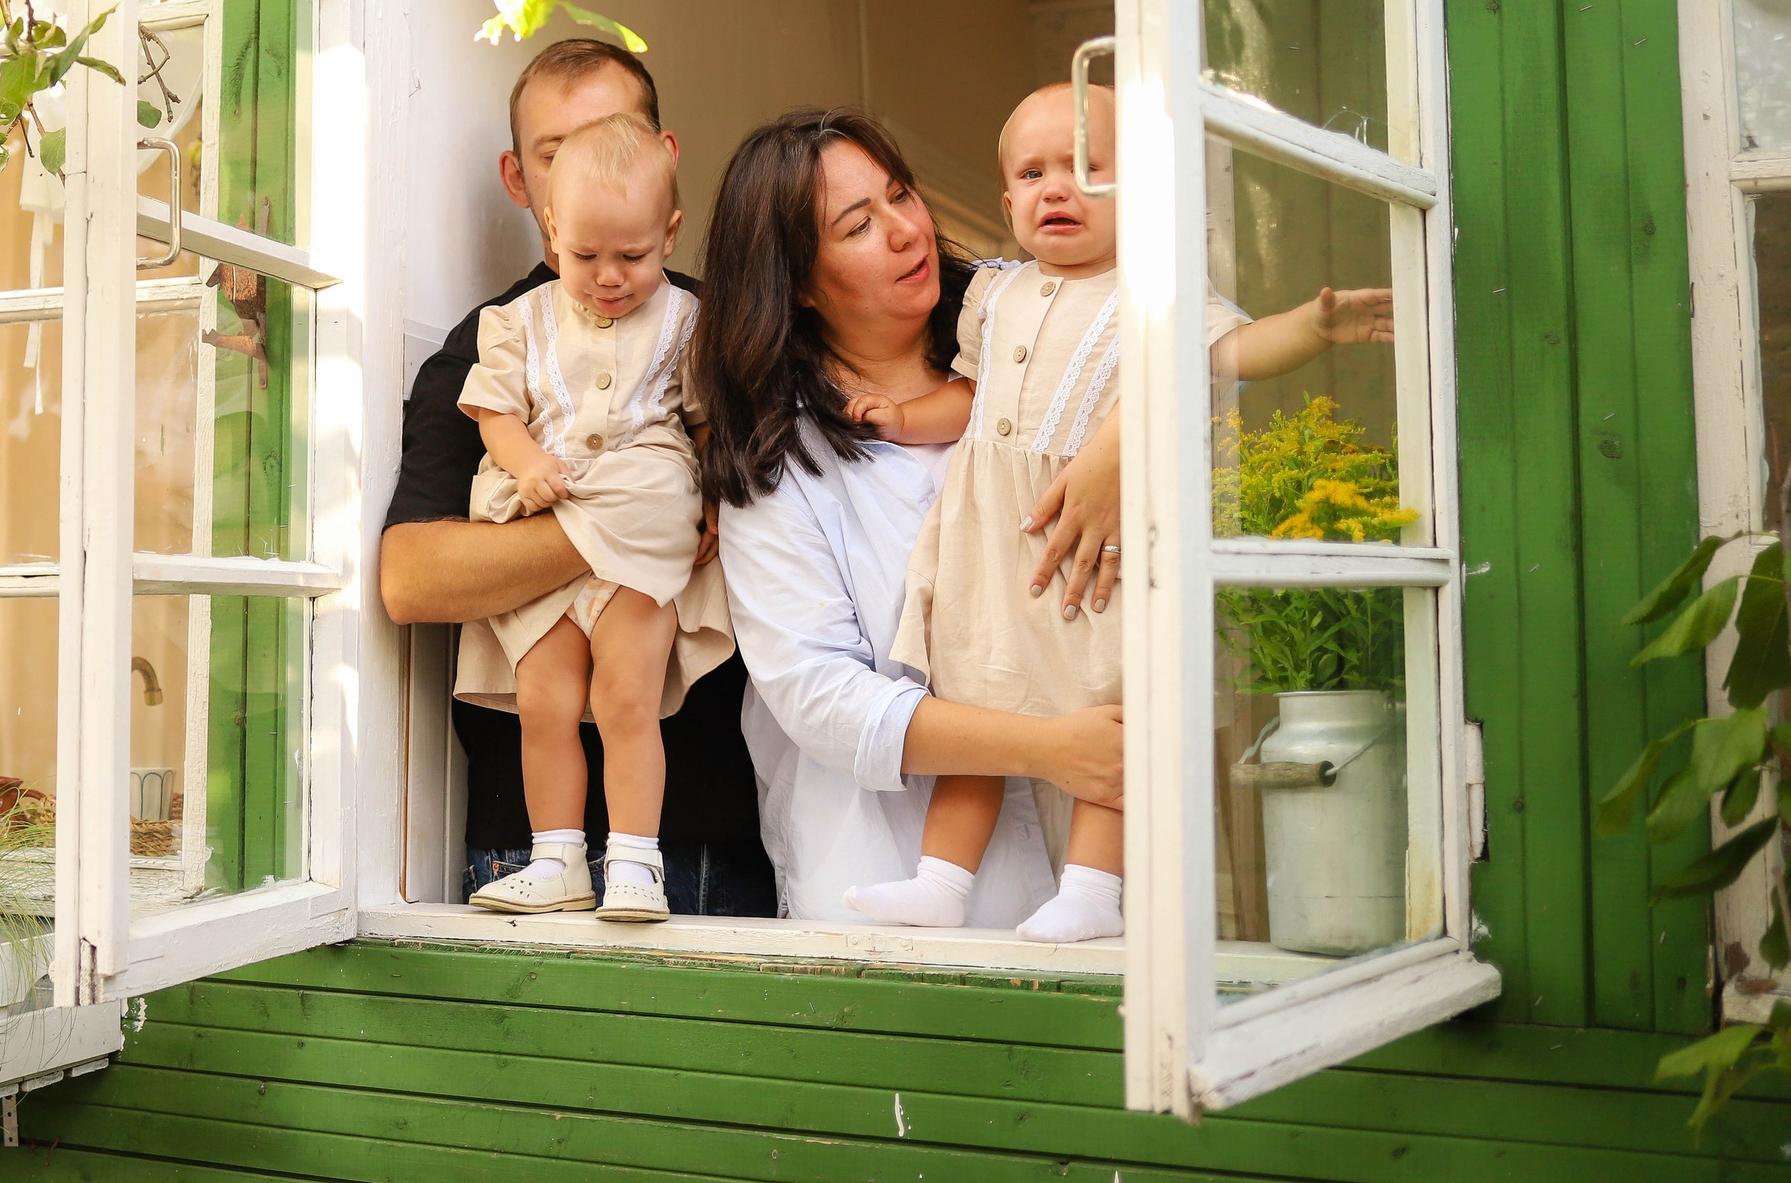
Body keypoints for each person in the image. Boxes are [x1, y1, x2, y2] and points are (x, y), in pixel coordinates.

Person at [838, 84, 1393, 940]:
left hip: (1098, 554)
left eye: (1090, 168)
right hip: (996, 545)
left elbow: (1233, 352)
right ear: (1007, 200)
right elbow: (976, 397)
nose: (1057, 188)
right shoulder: (993, 291)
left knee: (1111, 708)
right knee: (979, 705)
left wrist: (1313, 329)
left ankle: (1095, 893)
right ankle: (940, 882)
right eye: (1034, 172)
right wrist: (908, 418)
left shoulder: (1154, 294)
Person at [692, 108, 1124, 923]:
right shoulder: (783, 457)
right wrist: (1051, 748)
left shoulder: (1024, 326)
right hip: (893, 873)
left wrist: (1121, 445)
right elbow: (819, 695)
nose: (904, 230)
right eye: (858, 224)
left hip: (1104, 847)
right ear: (801, 282)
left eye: (901, 195)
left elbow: (1178, 336)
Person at [380, 40, 771, 916]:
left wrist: (689, 497)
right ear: (525, 184)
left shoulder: (718, 328)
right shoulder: (489, 340)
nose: (589, 164)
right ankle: (564, 856)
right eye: (557, 151)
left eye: (614, 134)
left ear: (663, 158)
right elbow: (409, 579)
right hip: (515, 834)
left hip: (705, 825)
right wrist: (634, 514)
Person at [454, 112, 734, 921]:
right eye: (586, 255)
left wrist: (713, 489)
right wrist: (528, 463)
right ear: (550, 229)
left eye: (634, 256)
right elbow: (496, 414)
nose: (610, 276)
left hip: (640, 529)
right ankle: (559, 855)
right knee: (543, 699)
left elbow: (703, 420)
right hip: (547, 503)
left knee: (625, 699)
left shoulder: (687, 320)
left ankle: (637, 860)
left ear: (671, 233)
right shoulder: (518, 322)